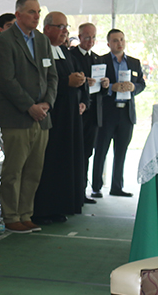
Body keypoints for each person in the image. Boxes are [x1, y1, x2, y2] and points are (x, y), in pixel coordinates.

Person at [0, 0, 58, 233]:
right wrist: (30, 106)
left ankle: (25, 213)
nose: (36, 16)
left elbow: (52, 76)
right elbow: (7, 81)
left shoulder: (42, 40)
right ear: (18, 14)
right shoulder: (5, 41)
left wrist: (47, 103)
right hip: (17, 117)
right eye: (31, 12)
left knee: (33, 169)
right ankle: (10, 216)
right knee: (14, 170)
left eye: (38, 12)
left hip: (42, 117)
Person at [32, 12, 86, 225]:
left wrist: (80, 85)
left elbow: (72, 75)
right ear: (47, 29)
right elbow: (43, 81)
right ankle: (45, 209)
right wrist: (67, 82)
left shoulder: (65, 51)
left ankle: (64, 204)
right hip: (52, 114)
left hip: (70, 115)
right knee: (50, 160)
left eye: (66, 27)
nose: (65, 31)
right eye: (60, 26)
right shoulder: (40, 49)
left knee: (66, 158)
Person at [91, 29, 146, 198]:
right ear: (108, 44)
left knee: (121, 151)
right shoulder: (101, 61)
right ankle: (96, 187)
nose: (119, 43)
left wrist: (134, 88)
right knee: (101, 150)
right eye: (115, 40)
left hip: (126, 114)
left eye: (122, 39)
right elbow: (95, 86)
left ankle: (117, 186)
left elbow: (141, 84)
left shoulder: (135, 63)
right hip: (108, 112)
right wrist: (111, 88)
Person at [70, 22, 110, 203]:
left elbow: (101, 92)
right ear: (79, 37)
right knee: (74, 152)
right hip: (77, 112)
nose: (90, 41)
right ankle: (72, 191)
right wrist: (84, 81)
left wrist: (105, 85)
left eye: (93, 37)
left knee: (87, 153)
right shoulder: (71, 56)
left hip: (94, 115)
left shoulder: (98, 59)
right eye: (87, 37)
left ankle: (82, 191)